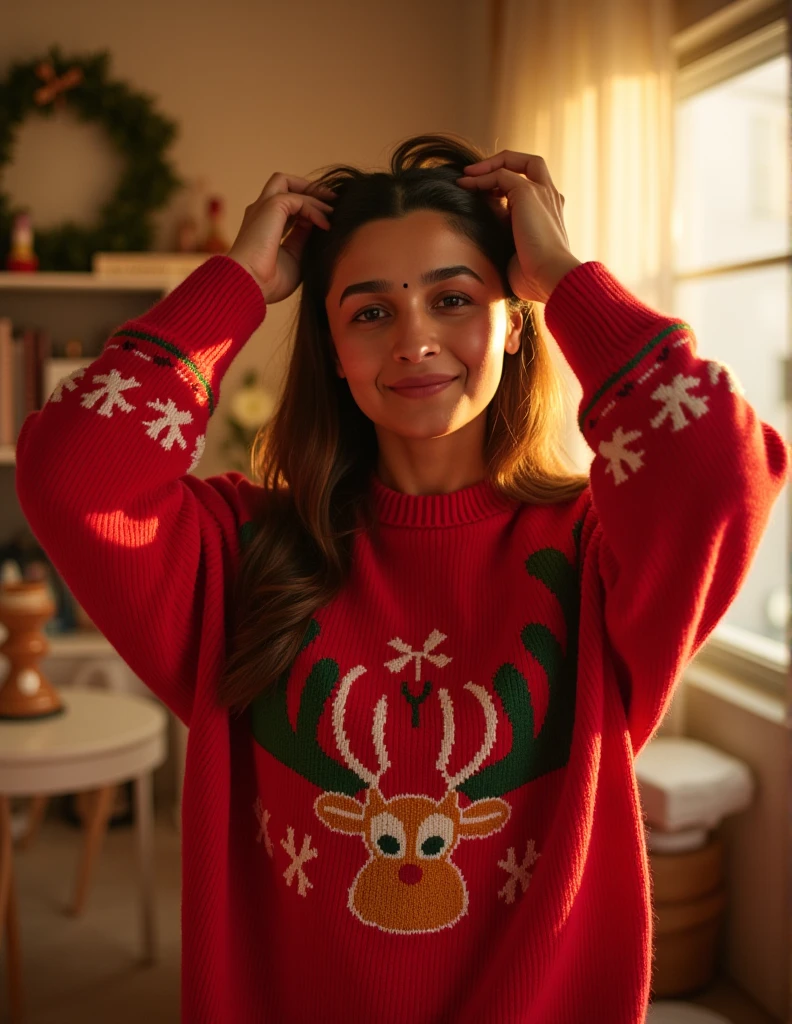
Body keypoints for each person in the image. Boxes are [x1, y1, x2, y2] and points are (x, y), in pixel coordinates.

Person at [15, 133, 788, 1024]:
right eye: (371, 312)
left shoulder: (597, 550)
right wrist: (231, 287)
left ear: (512, 318)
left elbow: (726, 472)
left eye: (455, 299)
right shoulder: (239, 552)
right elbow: (68, 474)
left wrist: (568, 280)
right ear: (334, 352)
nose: (417, 340)